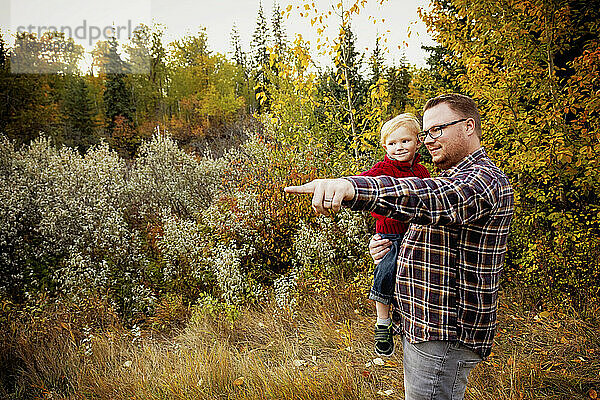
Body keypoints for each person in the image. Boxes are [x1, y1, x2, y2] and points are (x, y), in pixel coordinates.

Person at [284, 94, 514, 400]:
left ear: (469, 126)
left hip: (442, 332)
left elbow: (429, 197)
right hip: (424, 325)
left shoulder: (482, 180)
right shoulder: (452, 175)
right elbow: (430, 226)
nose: (430, 140)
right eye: (426, 133)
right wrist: (387, 247)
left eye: (437, 130)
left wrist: (352, 188)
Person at [359, 113, 430, 357]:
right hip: (389, 236)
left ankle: (411, 321)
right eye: (392, 143)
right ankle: (383, 322)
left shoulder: (422, 172)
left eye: (404, 142)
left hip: (417, 235)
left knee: (414, 278)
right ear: (384, 146)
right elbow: (362, 186)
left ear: (418, 142)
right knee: (386, 271)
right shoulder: (382, 169)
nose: (398, 147)